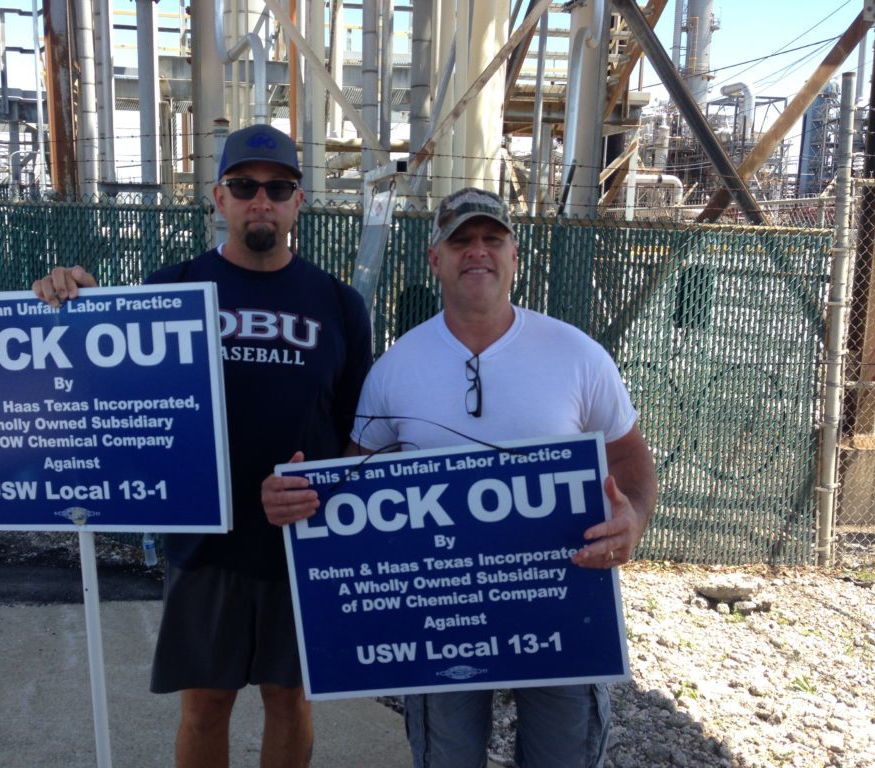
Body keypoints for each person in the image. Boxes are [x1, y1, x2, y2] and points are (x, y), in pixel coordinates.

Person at [262, 187, 657, 768]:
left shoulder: (577, 355)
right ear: (435, 260)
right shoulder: (397, 368)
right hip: (440, 618)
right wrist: (294, 497)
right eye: (461, 241)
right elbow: (351, 485)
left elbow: (630, 459)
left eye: (492, 240)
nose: (478, 252)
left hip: (561, 607)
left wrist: (634, 519)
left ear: (514, 257)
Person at [33, 123, 373, 768]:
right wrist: (68, 304)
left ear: (300, 201)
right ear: (219, 198)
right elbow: (112, 387)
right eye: (244, 185)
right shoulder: (172, 288)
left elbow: (358, 438)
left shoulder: (339, 304)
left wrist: (322, 496)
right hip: (203, 539)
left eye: (278, 187)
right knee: (205, 704)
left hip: (301, 540)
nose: (261, 199)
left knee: (289, 698)